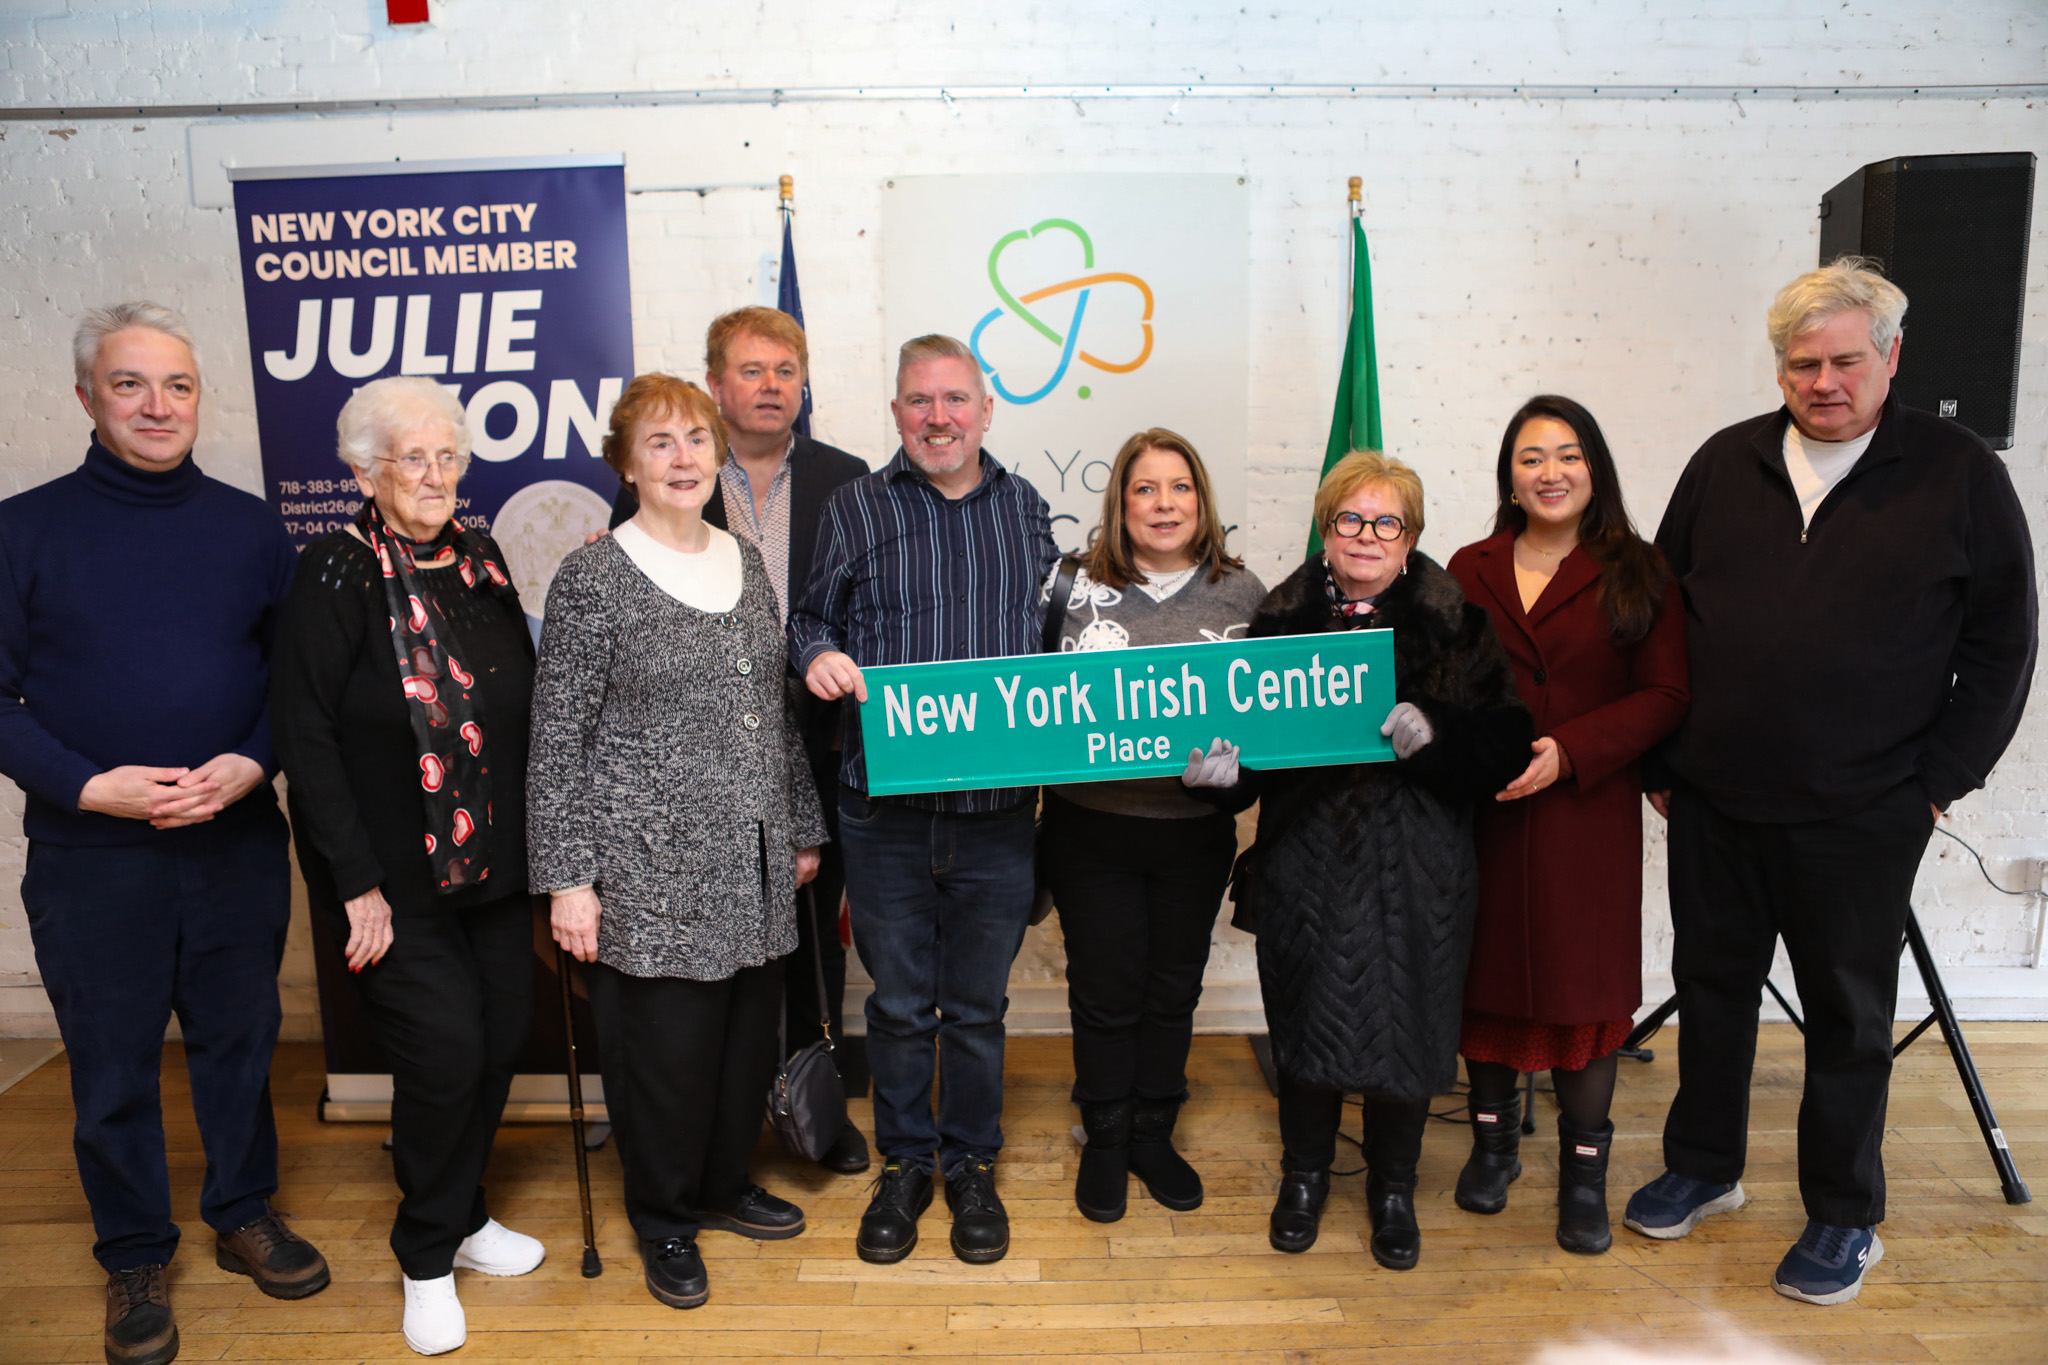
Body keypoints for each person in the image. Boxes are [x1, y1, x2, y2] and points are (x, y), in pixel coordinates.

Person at [1627, 260, 2037, 1305]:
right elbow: (1658, 616)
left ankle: (1842, 1215)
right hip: (1714, 798)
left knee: (1847, 1020)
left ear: (1889, 359)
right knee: (1713, 994)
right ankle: (1703, 1167)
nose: (1822, 382)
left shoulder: (1956, 475)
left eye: (1844, 360)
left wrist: (1936, 783)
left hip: (1864, 810)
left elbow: (2001, 644)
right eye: (1801, 363)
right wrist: (1659, 758)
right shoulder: (1723, 464)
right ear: (1778, 369)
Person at [0, 302, 328, 1365]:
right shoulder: (22, 530)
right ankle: (135, 1253)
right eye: (131, 384)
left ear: (199, 399)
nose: (158, 405)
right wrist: (94, 788)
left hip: (232, 845)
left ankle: (241, 1214)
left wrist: (250, 762)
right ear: (88, 396)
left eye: (177, 386)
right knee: (111, 1065)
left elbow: (294, 684)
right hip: (94, 858)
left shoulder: (248, 527)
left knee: (241, 1045)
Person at [1183, 449, 1532, 1270]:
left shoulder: (1455, 621)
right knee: (1304, 1022)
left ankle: (1392, 1189)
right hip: (1307, 864)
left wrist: (1438, 737)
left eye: (1386, 522)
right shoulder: (1277, 623)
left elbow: (1506, 742)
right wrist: (1218, 780)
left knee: (1408, 1028)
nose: (1366, 535)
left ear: (1409, 536)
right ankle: (1302, 1176)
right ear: (1325, 525)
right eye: (1350, 519)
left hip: (1421, 869)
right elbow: (1254, 762)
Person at [529, 374, 826, 1311]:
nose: (685, 456)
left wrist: (803, 828)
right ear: (627, 463)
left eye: (698, 438)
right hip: (647, 875)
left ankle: (722, 1183)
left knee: (743, 1045)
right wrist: (570, 879)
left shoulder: (746, 560)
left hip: (754, 858)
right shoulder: (592, 577)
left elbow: (774, 714)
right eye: (660, 442)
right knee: (665, 1059)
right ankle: (664, 1217)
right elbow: (556, 737)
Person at [270, 376, 544, 1355]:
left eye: (448, 457)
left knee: (502, 1033)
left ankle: (465, 1216)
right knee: (443, 1056)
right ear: (363, 470)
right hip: (394, 880)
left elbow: (524, 682)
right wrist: (353, 884)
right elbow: (305, 738)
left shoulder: (483, 557)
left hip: (498, 864)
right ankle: (425, 1257)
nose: (435, 476)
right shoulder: (335, 574)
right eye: (412, 458)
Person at [789, 335, 1058, 1266]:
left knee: (977, 1008)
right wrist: (816, 654)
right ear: (896, 410)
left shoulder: (1026, 509)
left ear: (985, 408)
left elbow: (1054, 643)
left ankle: (972, 1164)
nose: (937, 417)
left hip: (996, 812)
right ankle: (905, 1163)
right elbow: (810, 616)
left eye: (954, 399)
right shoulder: (856, 505)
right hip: (884, 808)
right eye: (918, 401)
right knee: (900, 1007)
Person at [608, 308, 872, 1174]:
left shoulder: (848, 476)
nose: (770, 386)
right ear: (716, 383)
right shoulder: (673, 472)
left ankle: (808, 1103)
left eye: (786, 369)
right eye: (751, 370)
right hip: (697, 767)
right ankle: (717, 1127)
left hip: (820, 750)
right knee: (714, 957)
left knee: (804, 937)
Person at [1445, 396, 1689, 1254]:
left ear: (1595, 470)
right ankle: (1493, 1144)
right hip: (1488, 813)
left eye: (1568, 455)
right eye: (1531, 457)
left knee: (1583, 994)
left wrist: (1571, 749)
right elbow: (1440, 683)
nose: (1550, 472)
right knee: (1487, 980)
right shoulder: (1468, 565)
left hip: (1588, 814)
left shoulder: (1640, 568)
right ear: (1508, 476)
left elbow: (1664, 695)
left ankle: (1585, 1175)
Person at [1039, 428, 1267, 1222]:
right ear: (1120, 501)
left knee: (1172, 991)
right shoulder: (1067, 586)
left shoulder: (1244, 593)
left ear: (1201, 501)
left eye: (1179, 488)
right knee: (1104, 992)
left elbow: (1268, 732)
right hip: (1088, 828)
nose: (1163, 504)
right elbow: (1021, 698)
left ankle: (1151, 1133)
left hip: (1191, 834)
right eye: (1145, 488)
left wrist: (1237, 782)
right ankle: (1104, 1137)